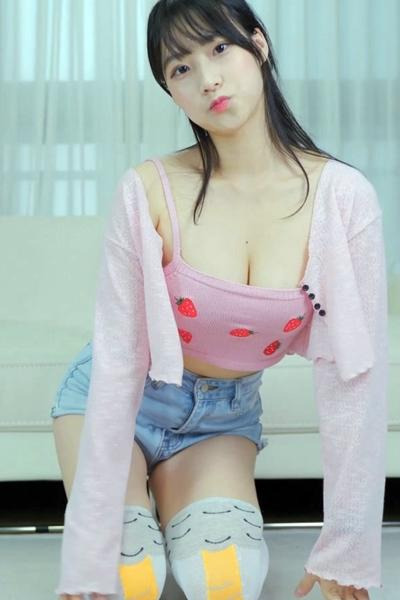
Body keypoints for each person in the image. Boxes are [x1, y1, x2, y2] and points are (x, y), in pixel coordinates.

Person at [51, 1, 388, 599]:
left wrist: (346, 546)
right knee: (128, 579)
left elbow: (355, 378)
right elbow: (119, 363)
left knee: (224, 582)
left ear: (258, 45)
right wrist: (87, 550)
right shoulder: (147, 190)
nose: (207, 78)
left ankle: (168, 505)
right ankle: (141, 514)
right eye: (180, 68)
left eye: (219, 48)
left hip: (222, 418)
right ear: (171, 92)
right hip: (118, 400)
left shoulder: (343, 198)